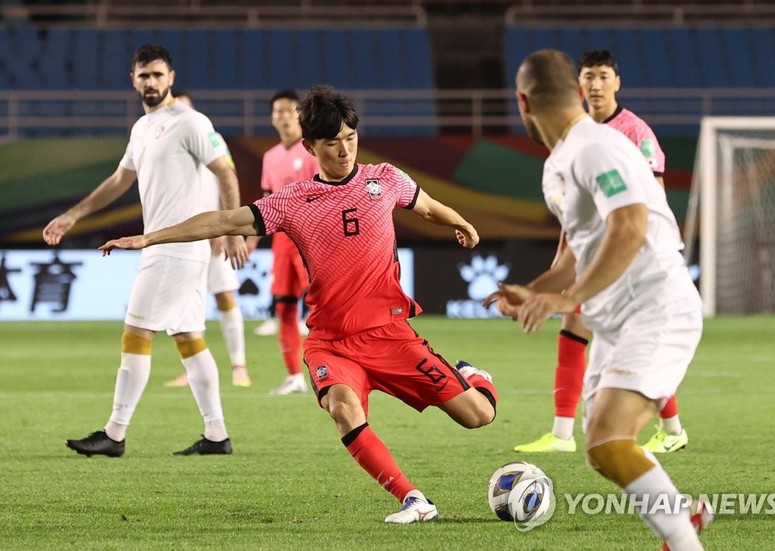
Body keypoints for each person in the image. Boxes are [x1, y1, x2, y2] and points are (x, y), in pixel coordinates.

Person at [99, 85, 498, 523]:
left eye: (350, 139)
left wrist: (461, 222)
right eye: (332, 143)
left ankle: (472, 375)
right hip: (331, 341)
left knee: (478, 415)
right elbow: (222, 219)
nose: (344, 150)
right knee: (343, 409)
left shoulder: (385, 179)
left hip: (390, 334)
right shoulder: (293, 202)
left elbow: (426, 206)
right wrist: (149, 236)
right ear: (310, 146)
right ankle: (414, 499)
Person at [485, 50, 711, 550]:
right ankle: (680, 518)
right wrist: (538, 289)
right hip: (617, 318)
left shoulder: (596, 148)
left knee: (609, 440)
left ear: (521, 101)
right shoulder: (560, 161)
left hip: (656, 306)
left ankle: (682, 539)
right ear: (579, 90)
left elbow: (628, 226)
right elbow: (574, 253)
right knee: (601, 448)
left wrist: (570, 299)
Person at [43, 44, 249, 457]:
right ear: (133, 79)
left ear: (171, 77)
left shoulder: (190, 122)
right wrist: (74, 215)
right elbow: (120, 180)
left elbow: (225, 172)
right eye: (143, 75)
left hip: (173, 246)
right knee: (189, 338)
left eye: (157, 74)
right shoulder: (143, 128)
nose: (150, 82)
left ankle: (114, 434)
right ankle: (216, 435)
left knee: (135, 333)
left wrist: (232, 228)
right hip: (168, 247)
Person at [513, 49, 688, 455]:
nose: (595, 84)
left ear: (616, 82)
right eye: (588, 76)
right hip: (608, 270)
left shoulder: (622, 136)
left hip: (638, 274)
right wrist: (544, 285)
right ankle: (565, 433)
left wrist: (572, 291)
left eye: (603, 76)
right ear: (577, 86)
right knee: (604, 438)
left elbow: (638, 213)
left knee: (610, 418)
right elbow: (578, 228)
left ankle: (667, 429)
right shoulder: (568, 147)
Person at [164, 91, 251, 389]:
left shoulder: (210, 138)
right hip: (182, 237)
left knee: (225, 296)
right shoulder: (167, 143)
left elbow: (226, 179)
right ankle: (193, 369)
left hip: (213, 233)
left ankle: (239, 365)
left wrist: (225, 228)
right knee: (187, 303)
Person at [248, 89, 317, 396]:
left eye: (290, 110)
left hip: (312, 241)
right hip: (282, 242)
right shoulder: (270, 157)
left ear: (300, 115)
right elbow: (266, 202)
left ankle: (333, 370)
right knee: (285, 308)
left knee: (321, 307)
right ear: (272, 117)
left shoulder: (314, 151)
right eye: (279, 111)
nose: (284, 116)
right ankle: (294, 377)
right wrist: (252, 236)